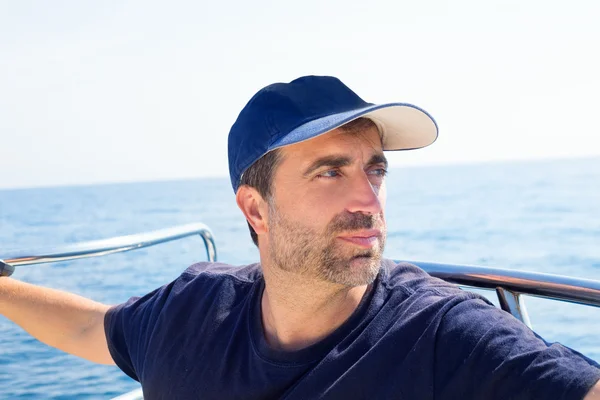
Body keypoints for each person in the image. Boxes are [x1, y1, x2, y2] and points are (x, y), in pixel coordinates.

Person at [1, 75, 599, 400]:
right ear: (255, 208)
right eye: (331, 171)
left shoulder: (443, 335)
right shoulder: (190, 308)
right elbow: (90, 327)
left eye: (376, 169)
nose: (368, 200)